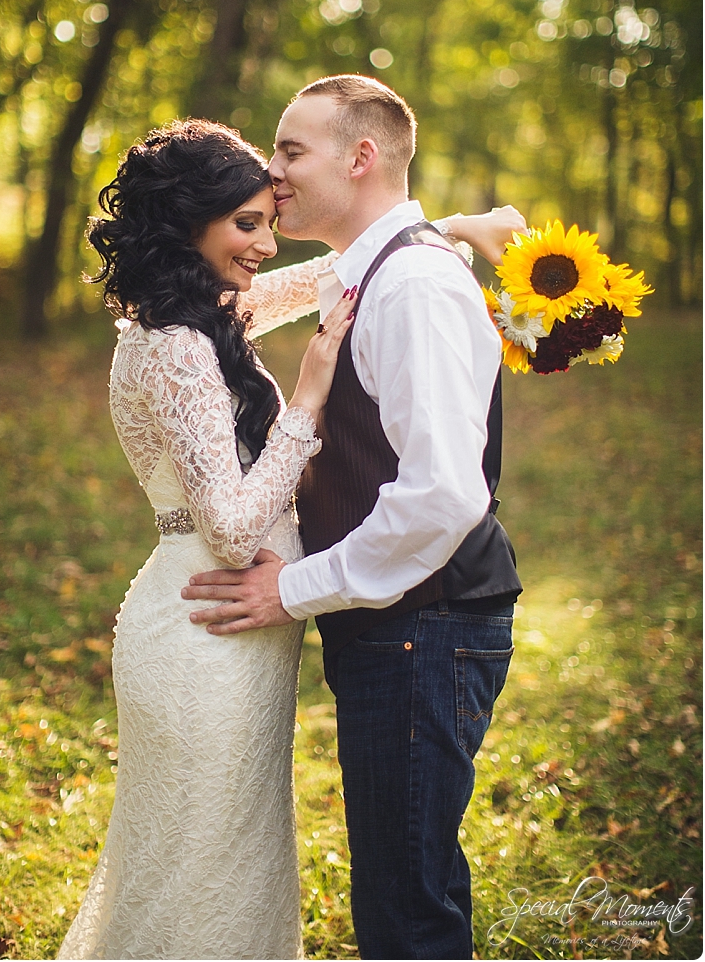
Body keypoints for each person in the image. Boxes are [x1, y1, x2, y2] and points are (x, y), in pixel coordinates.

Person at [57, 117, 514, 960]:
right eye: (247, 223)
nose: (266, 244)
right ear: (187, 221)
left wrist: (451, 230)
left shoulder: (196, 313)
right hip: (213, 621)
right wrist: (304, 403)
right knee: (199, 861)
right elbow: (231, 530)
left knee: (231, 856)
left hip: (229, 626)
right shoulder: (179, 346)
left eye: (269, 220)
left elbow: (332, 276)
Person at [182, 76, 525, 960]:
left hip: (427, 624)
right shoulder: (380, 267)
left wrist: (295, 589)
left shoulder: (410, 285)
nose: (273, 171)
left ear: (361, 156)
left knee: (405, 908)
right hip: (402, 624)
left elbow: (446, 492)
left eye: (292, 150)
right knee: (404, 882)